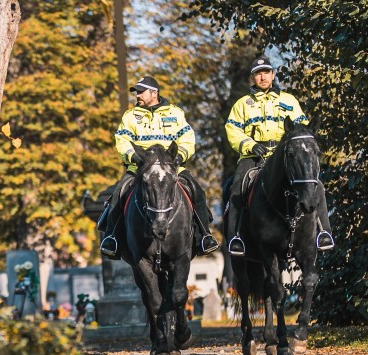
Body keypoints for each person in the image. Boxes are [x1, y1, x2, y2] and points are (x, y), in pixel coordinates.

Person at [99, 76, 219, 259]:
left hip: (172, 169)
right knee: (118, 194)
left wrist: (180, 156)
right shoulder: (130, 116)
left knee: (197, 191)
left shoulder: (176, 113)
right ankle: (112, 238)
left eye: (141, 91)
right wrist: (132, 156)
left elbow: (187, 139)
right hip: (140, 170)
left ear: (154, 93)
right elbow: (122, 140)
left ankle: (204, 236)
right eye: (136, 92)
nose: (138, 95)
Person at [224, 56, 334, 255]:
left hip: (286, 155)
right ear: (253, 78)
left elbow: (302, 127)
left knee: (315, 183)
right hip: (255, 154)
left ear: (273, 75)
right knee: (237, 184)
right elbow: (232, 129)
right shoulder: (242, 104)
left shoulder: (288, 100)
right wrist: (249, 145)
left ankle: (324, 232)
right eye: (258, 73)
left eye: (266, 72)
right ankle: (236, 237)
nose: (263, 76)